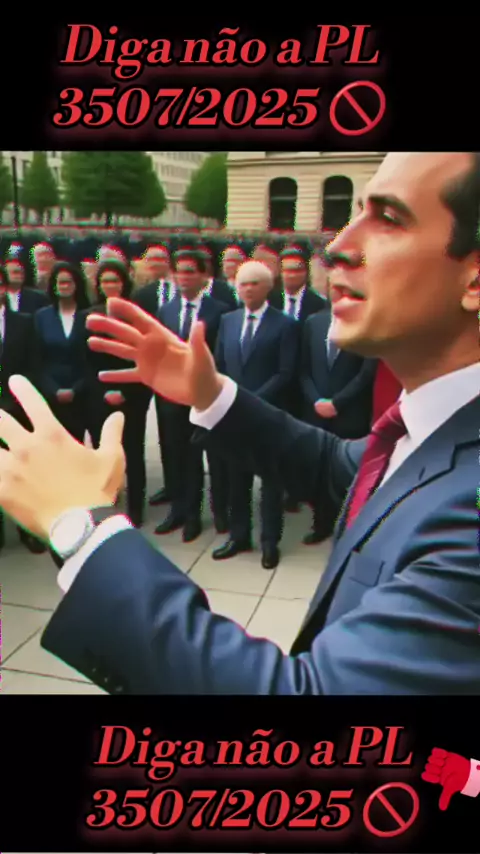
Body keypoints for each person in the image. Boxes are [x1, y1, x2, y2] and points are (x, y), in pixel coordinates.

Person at [1, 152, 479, 694]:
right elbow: (336, 466)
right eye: (358, 212)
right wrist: (211, 394)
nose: (338, 246)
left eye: (389, 218)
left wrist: (83, 529)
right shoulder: (438, 426)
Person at [81, 259, 150, 527]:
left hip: (131, 395)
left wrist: (124, 391)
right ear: (98, 285)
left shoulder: (136, 315)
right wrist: (105, 390)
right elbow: (85, 361)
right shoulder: (89, 316)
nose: (110, 285)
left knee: (133, 452)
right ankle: (107, 506)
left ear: (124, 283)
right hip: (99, 395)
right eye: (105, 281)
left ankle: (136, 509)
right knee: (104, 456)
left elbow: (142, 357)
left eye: (115, 280)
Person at [33, 262, 91, 442]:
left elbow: (91, 359)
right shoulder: (42, 317)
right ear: (54, 286)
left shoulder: (88, 316)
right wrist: (53, 389)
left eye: (69, 282)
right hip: (50, 393)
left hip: (81, 394)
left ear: (77, 285)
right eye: (61, 282)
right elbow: (36, 359)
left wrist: (76, 389)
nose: (64, 286)